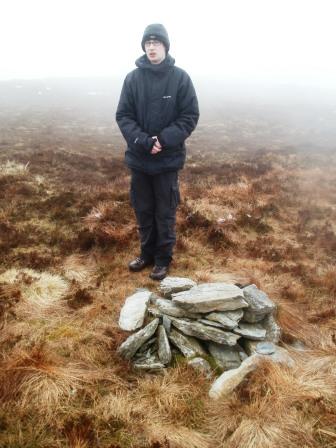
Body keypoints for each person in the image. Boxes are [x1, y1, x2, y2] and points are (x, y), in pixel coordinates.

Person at [116, 23, 199, 280]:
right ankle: (146, 254)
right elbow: (123, 115)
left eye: (156, 43)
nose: (151, 47)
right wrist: (142, 140)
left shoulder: (180, 78)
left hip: (166, 161)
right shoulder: (133, 79)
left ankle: (163, 259)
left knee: (164, 211)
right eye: (148, 43)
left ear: (165, 46)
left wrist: (163, 140)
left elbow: (189, 115)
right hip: (140, 160)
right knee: (143, 209)